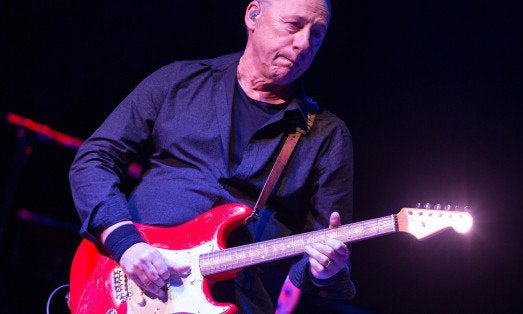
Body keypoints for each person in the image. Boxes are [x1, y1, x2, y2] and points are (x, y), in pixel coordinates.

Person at [68, 0, 355, 312]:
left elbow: (325, 250)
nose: (303, 43)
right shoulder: (178, 81)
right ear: (253, 15)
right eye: (294, 25)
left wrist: (327, 270)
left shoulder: (327, 135)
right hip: (125, 285)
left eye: (316, 34)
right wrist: (124, 242)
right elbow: (95, 158)